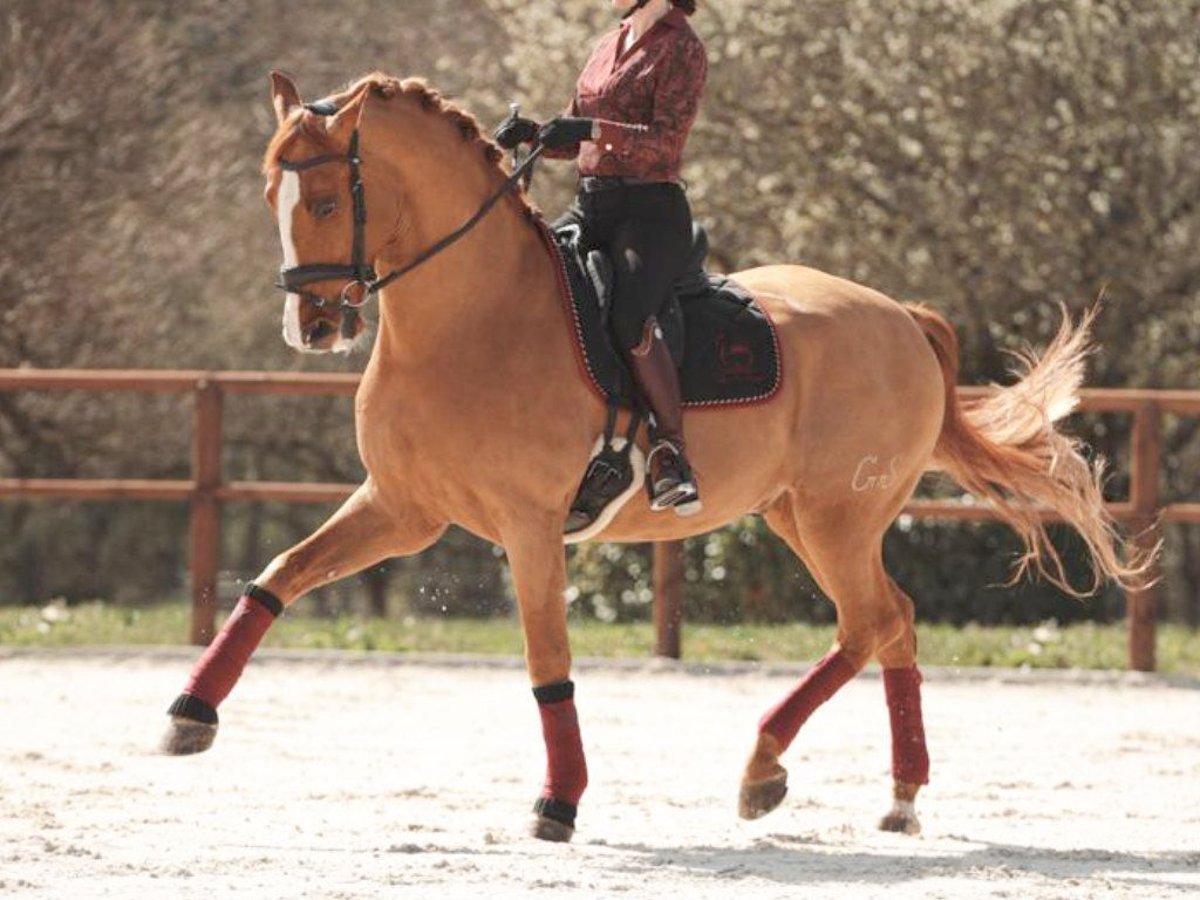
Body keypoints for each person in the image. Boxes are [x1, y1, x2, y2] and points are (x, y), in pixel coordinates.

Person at [496, 0, 708, 514]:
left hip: (650, 212)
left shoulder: (682, 48)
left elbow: (664, 142)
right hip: (593, 206)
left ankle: (670, 452)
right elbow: (578, 129)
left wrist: (590, 131)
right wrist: (540, 134)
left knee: (628, 314)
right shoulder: (608, 43)